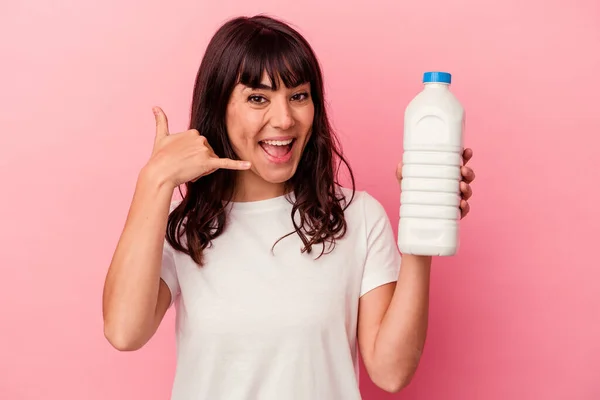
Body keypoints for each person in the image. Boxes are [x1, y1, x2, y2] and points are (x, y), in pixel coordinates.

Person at [102, 14, 475, 400]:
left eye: (298, 96)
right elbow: (124, 332)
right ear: (220, 108)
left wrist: (422, 228)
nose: (284, 120)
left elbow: (391, 372)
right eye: (257, 98)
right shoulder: (186, 230)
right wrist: (155, 179)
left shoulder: (357, 217)